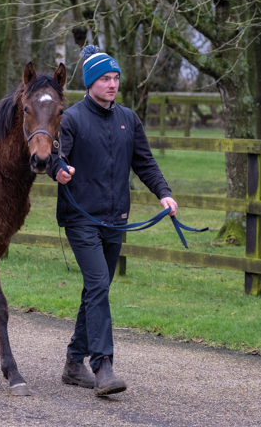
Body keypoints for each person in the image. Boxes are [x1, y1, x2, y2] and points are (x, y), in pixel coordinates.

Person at [47, 45, 178, 397]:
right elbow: (52, 157)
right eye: (105, 78)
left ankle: (74, 362)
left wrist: (163, 193)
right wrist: (59, 171)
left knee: (97, 288)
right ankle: (102, 365)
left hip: (116, 219)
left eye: (116, 78)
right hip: (81, 218)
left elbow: (145, 163)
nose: (112, 84)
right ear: (91, 82)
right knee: (99, 284)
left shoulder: (128, 119)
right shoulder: (71, 118)